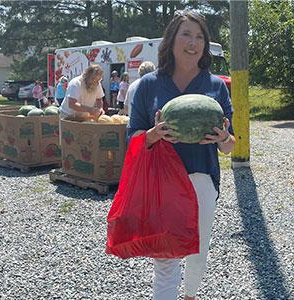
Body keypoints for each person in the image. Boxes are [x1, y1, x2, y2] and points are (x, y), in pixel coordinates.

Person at [127, 10, 234, 300]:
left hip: (202, 178)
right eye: (186, 34)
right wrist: (154, 134)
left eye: (199, 36)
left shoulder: (216, 86)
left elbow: (229, 146)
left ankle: (190, 295)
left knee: (199, 248)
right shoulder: (149, 84)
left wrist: (224, 138)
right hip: (163, 179)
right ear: (171, 40)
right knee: (165, 256)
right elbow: (132, 137)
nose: (193, 42)